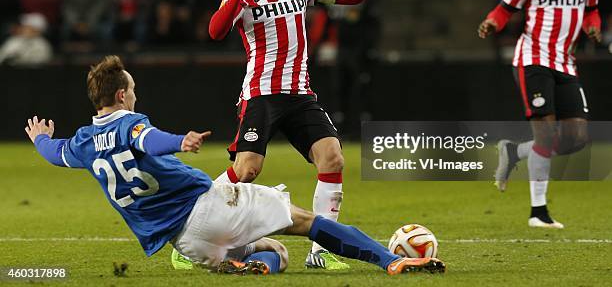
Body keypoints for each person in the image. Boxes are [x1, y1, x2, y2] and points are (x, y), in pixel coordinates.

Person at [25, 55, 445, 276]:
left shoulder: (82, 142)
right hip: (208, 206)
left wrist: (40, 138)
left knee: (277, 252)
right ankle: (389, 261)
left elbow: (52, 153)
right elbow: (146, 139)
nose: (134, 95)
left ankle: (247, 266)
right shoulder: (130, 123)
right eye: (131, 89)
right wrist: (179, 141)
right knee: (306, 222)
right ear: (120, 96)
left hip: (186, 242)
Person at [208, 0, 383, 269]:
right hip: (261, 94)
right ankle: (193, 218)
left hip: (300, 94)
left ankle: (322, 251)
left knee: (332, 158)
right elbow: (215, 31)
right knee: (246, 170)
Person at [478, 0, 601, 229]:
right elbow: (505, 9)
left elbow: (592, 12)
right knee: (546, 135)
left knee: (576, 139)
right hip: (533, 60)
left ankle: (514, 151)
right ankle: (538, 212)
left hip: (566, 63)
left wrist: (593, 28)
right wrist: (493, 22)